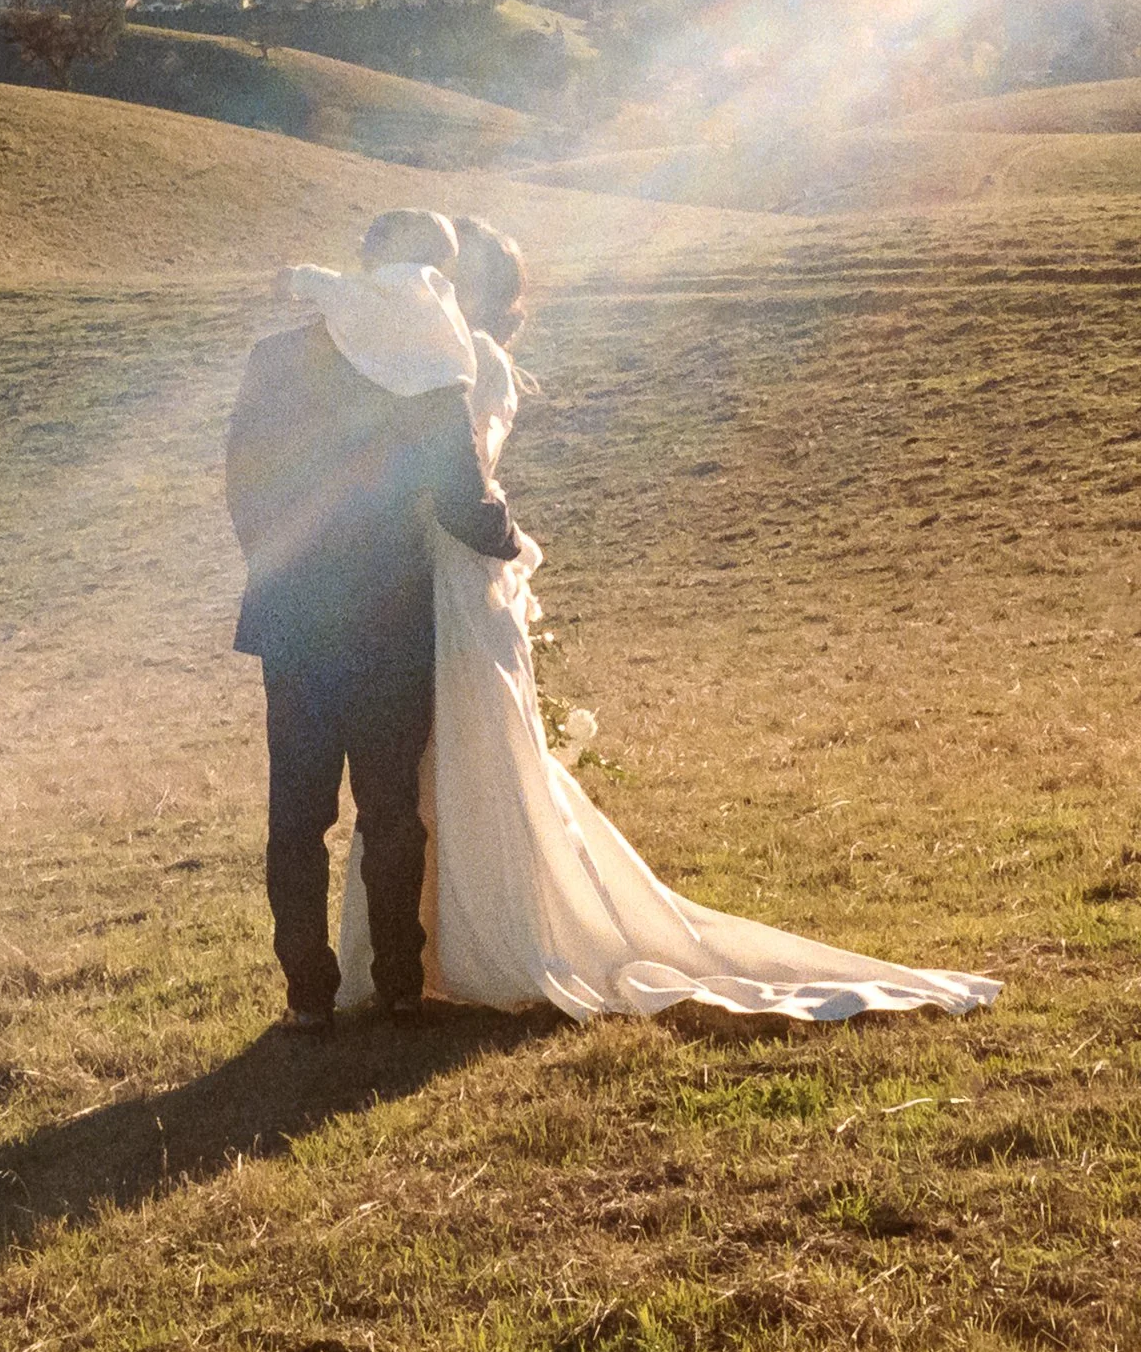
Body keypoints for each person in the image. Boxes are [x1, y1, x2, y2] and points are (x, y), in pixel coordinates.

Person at [324, 216, 1000, 1026]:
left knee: (474, 757)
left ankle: (478, 941)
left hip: (462, 579)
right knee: (411, 768)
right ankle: (413, 952)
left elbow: (456, 478)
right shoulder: (420, 360)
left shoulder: (469, 362)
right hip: (423, 579)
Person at [224, 207, 521, 1029]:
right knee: (390, 808)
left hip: (294, 616)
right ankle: (395, 983)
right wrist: (509, 540)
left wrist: (280, 565)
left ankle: (307, 995)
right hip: (388, 615)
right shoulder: (427, 364)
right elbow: (461, 499)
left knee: (297, 813)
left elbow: (243, 481)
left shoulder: (278, 356)